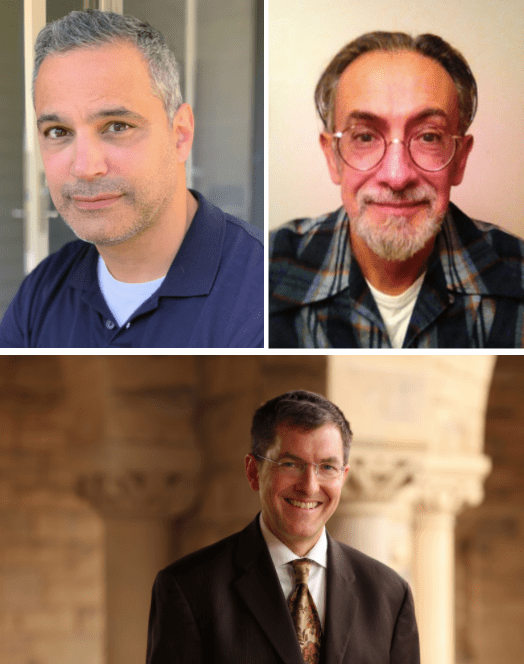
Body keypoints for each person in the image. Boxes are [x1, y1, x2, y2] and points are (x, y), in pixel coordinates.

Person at [0, 10, 263, 348]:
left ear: (180, 135)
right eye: (58, 131)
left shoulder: (259, 293)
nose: (85, 166)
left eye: (117, 126)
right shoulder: (43, 291)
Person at [269, 31, 524, 348]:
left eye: (428, 136)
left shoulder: (518, 276)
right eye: (364, 137)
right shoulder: (263, 272)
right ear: (332, 157)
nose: (397, 175)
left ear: (460, 159)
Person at [146, 390, 420, 664]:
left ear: (344, 476)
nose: (309, 486)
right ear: (253, 471)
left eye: (327, 467)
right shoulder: (188, 589)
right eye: (290, 464)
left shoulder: (390, 595)